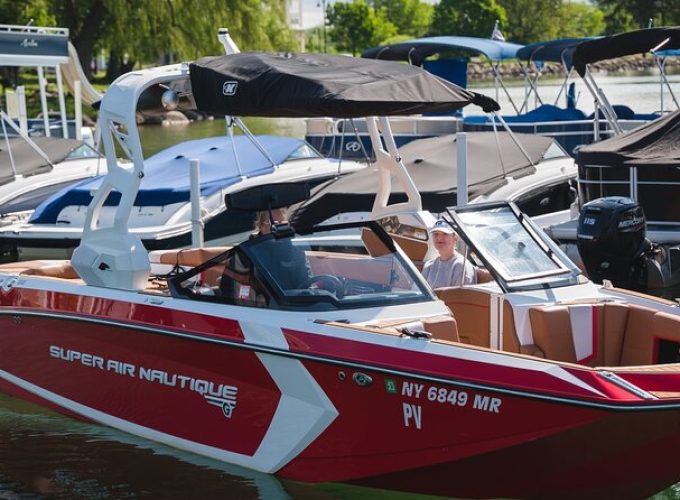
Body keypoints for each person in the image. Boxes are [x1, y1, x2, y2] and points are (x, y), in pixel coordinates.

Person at [422, 219, 477, 288]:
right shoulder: (429, 265)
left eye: (445, 234)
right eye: (436, 234)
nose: (439, 238)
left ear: (456, 238)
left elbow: (462, 296)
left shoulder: (461, 266)